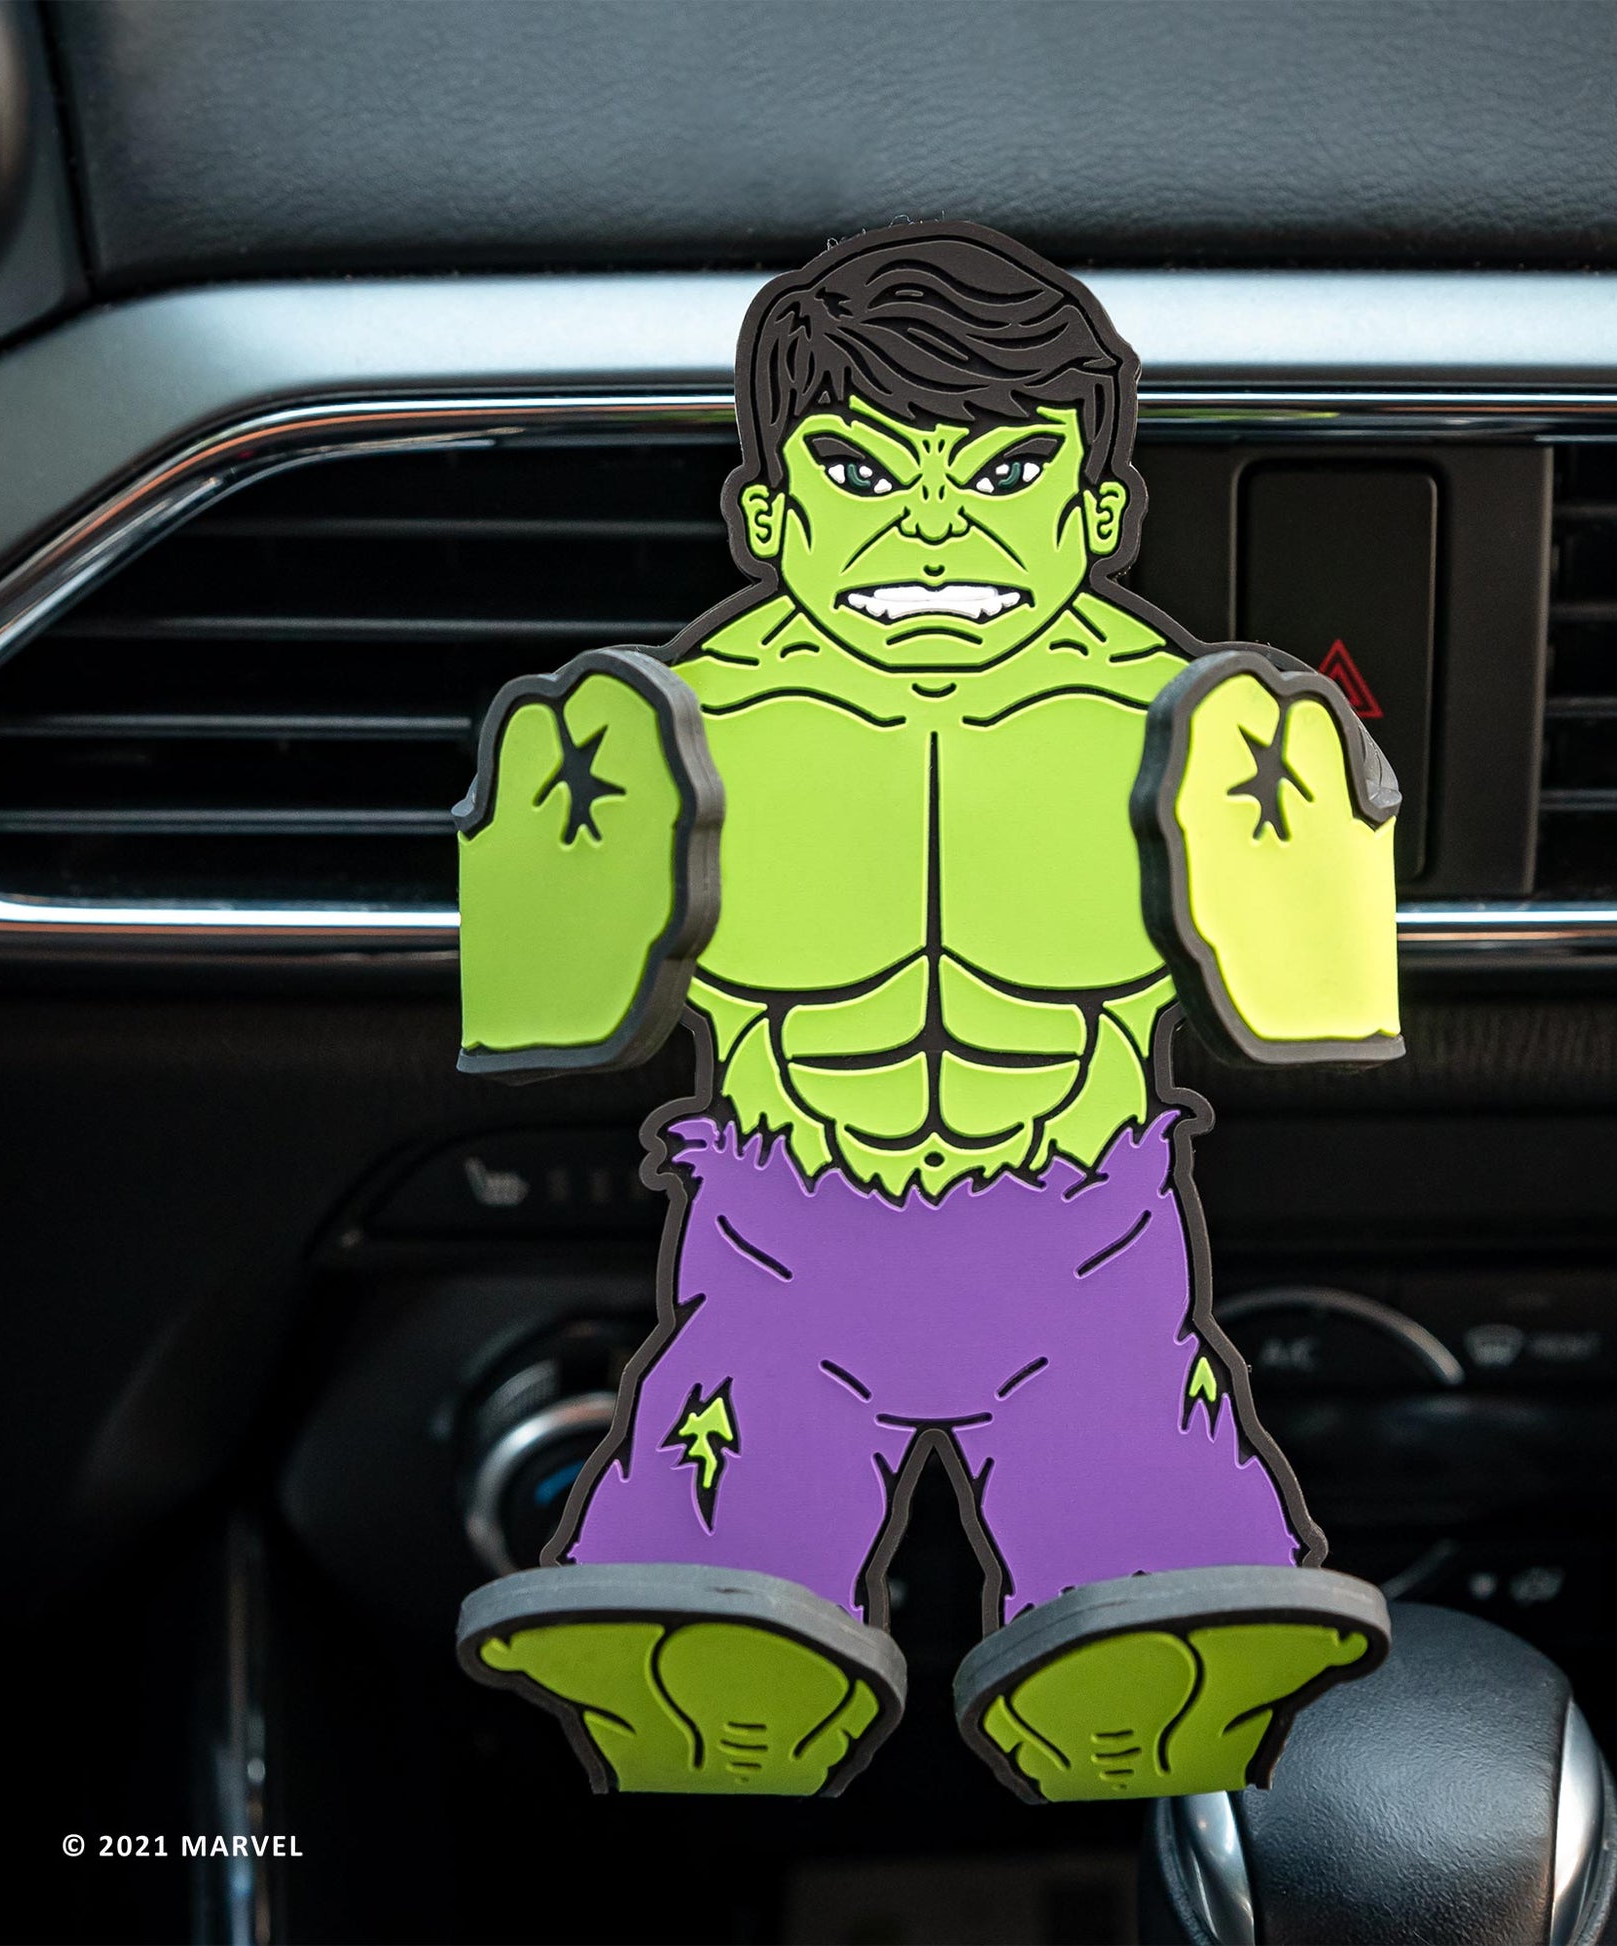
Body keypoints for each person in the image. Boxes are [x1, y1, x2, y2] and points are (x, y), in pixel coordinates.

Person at [454, 222, 1402, 1802]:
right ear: (768, 510)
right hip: (783, 1234)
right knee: (708, 1576)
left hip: (1087, 1235)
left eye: (1005, 474)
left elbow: (1300, 995)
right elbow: (557, 999)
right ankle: (713, 1680)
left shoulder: (1188, 725)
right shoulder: (680, 722)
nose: (937, 526)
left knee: (1164, 1583)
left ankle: (1135, 1677)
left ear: (1097, 511)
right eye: (864, 473)